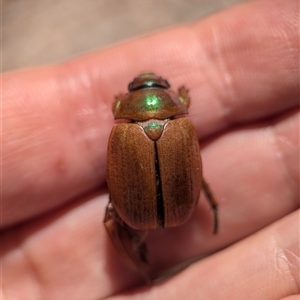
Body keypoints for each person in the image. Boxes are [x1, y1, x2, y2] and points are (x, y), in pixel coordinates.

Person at [2, 0, 299, 299]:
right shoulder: (181, 122)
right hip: (180, 207)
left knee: (112, 214)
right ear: (173, 97)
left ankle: (135, 254)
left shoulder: (122, 125)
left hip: (135, 211)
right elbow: (196, 170)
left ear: (125, 104)